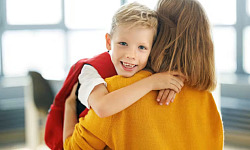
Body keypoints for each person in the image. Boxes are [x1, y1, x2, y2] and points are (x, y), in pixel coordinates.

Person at [63, 0, 224, 149]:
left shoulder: (118, 92)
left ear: (158, 36)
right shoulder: (206, 99)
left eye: (141, 47)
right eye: (123, 44)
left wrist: (69, 104)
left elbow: (71, 147)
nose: (131, 54)